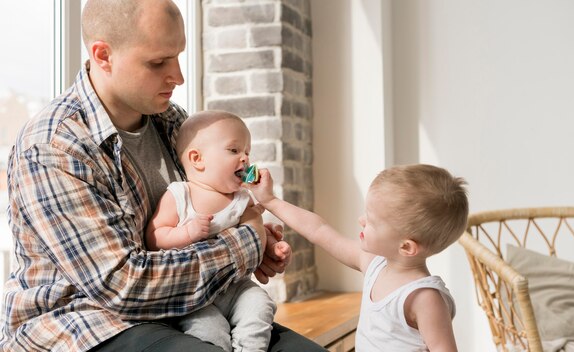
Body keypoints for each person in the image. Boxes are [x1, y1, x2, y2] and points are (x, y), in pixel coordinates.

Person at [0, 0, 324, 351]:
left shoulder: (172, 122)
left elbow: (207, 217)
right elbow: (124, 286)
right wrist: (246, 241)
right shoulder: (53, 146)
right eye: (158, 62)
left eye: (178, 56)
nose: (178, 76)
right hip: (86, 323)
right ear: (103, 55)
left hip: (187, 307)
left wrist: (256, 243)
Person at [248, 164, 469, 352]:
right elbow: (319, 230)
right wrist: (269, 200)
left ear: (406, 246)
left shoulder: (424, 298)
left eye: (372, 221)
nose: (361, 220)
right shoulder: (374, 264)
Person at [145, 110, 287, 352]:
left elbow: (255, 233)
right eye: (234, 150)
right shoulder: (180, 195)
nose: (244, 159)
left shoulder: (242, 199)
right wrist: (186, 234)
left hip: (235, 286)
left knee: (260, 303)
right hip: (194, 296)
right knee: (208, 329)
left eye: (247, 152)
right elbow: (154, 236)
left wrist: (273, 245)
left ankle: (250, 349)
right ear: (197, 159)